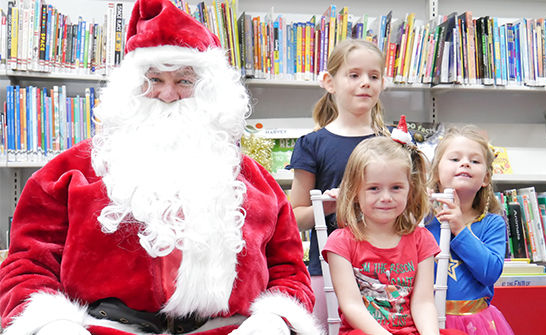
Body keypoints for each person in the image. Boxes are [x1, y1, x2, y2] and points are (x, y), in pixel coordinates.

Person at [0, 1, 320, 335]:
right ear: (131, 88)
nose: (168, 95)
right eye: (154, 79)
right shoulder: (67, 173)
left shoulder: (255, 181)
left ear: (211, 93)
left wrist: (274, 319)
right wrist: (52, 324)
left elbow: (289, 269)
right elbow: (27, 264)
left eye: (184, 81)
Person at [322, 120, 468, 335]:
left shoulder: (422, 239)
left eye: (396, 187)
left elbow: (423, 302)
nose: (386, 197)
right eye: (373, 188)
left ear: (410, 190)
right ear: (355, 192)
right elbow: (351, 305)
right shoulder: (341, 242)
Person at [286, 38, 391, 328]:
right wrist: (329, 206)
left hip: (388, 271)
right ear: (329, 82)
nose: (365, 83)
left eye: (374, 76)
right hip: (327, 269)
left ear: (383, 82)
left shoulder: (394, 143)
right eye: (354, 75)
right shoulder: (312, 145)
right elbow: (294, 219)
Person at [425, 126, 514, 335]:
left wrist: (460, 228)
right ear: (437, 172)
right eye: (455, 159)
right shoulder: (423, 219)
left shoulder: (493, 223)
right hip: (427, 321)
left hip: (476, 323)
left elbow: (490, 273)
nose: (465, 163)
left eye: (474, 161)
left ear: (485, 178)